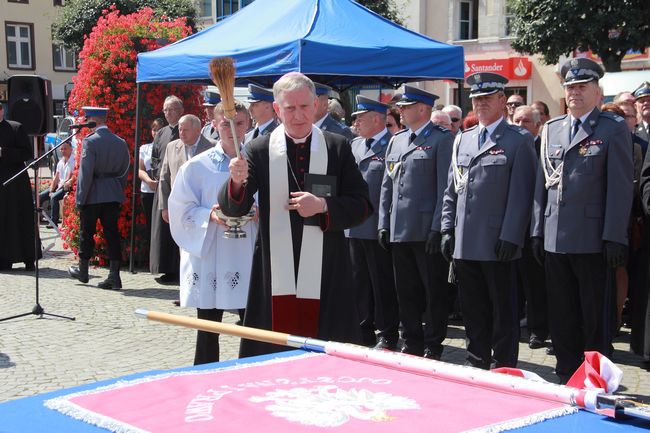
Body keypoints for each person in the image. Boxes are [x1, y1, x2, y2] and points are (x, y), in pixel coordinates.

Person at [218, 72, 371, 357]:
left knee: (328, 358)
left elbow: (362, 205)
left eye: (304, 107)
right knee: (272, 357)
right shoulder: (258, 150)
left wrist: (324, 206)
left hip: (328, 269)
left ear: (316, 105)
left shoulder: (337, 147)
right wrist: (236, 182)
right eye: (290, 108)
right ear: (277, 109)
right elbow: (232, 208)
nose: (298, 116)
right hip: (274, 272)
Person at [531, 58, 633, 382]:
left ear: (597, 91)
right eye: (569, 87)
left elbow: (619, 188)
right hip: (555, 238)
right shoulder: (552, 129)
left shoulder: (612, 129)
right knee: (561, 316)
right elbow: (541, 186)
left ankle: (595, 381)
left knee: (594, 319)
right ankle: (566, 375)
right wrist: (537, 231)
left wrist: (616, 235)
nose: (574, 93)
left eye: (581, 87)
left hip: (593, 241)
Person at [441, 72, 537, 369]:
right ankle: (476, 361)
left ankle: (504, 364)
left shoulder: (518, 140)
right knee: (473, 309)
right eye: (476, 99)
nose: (480, 104)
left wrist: (511, 235)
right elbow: (451, 188)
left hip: (498, 243)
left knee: (503, 311)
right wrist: (446, 227)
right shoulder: (463, 140)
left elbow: (523, 194)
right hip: (466, 242)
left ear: (501, 101)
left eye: (486, 98)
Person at [169, 101, 255, 365]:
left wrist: (258, 211)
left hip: (244, 252)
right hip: (209, 252)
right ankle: (205, 370)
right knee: (207, 323)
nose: (232, 129)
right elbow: (180, 208)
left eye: (239, 123)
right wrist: (209, 215)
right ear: (215, 125)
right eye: (226, 123)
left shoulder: (257, 163)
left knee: (250, 320)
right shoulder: (196, 167)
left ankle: (251, 367)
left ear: (248, 125)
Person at [378, 85, 454, 359]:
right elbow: (388, 185)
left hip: (426, 231)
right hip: (400, 229)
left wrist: (438, 227)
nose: (401, 110)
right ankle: (411, 341)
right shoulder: (397, 140)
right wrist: (383, 222)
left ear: (422, 109)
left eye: (406, 106)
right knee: (405, 291)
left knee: (433, 293)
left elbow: (445, 187)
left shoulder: (442, 140)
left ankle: (433, 344)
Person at [345, 96, 399, 349]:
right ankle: (362, 331)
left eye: (361, 117)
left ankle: (388, 333)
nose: (356, 122)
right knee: (358, 284)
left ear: (377, 119)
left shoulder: (392, 145)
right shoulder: (355, 145)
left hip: (378, 225)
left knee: (382, 285)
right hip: (354, 226)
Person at [68, 107, 130, 289]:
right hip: (112, 192)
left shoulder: (91, 142)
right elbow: (125, 169)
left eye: (88, 118)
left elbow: (85, 174)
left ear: (95, 119)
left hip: (93, 193)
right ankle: (114, 275)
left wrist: (80, 198)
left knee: (86, 232)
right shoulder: (120, 142)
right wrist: (117, 188)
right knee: (112, 234)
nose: (86, 121)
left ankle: (83, 271)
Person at [512, 105, 549, 350]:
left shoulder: (543, 148)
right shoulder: (510, 144)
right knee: (512, 282)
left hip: (534, 226)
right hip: (509, 225)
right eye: (516, 120)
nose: (520, 125)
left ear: (537, 125)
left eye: (526, 121)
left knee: (535, 283)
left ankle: (538, 329)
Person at [0, 103, 39, 271]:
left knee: (18, 220)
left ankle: (27, 258)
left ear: (2, 111)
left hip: (14, 183)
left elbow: (26, 153)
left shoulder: (16, 128)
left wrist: (4, 152)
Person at [150, 95, 184, 284]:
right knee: (162, 229)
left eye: (172, 109)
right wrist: (157, 175)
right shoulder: (161, 133)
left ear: (180, 111)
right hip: (163, 187)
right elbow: (154, 158)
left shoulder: (186, 129)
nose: (168, 113)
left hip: (180, 186)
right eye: (165, 110)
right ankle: (165, 268)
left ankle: (178, 269)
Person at [138, 118, 164, 240]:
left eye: (158, 130)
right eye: (154, 129)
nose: (156, 132)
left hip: (163, 191)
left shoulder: (168, 147)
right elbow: (140, 169)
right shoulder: (144, 148)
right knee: (150, 224)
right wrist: (149, 181)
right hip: (148, 191)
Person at [39, 141, 74, 228]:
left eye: (65, 148)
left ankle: (53, 221)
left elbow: (71, 178)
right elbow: (56, 178)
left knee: (54, 197)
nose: (63, 151)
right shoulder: (60, 162)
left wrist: (55, 192)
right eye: (61, 149)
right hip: (59, 186)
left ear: (71, 149)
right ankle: (39, 218)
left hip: (68, 187)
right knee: (40, 196)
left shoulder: (73, 161)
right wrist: (51, 190)